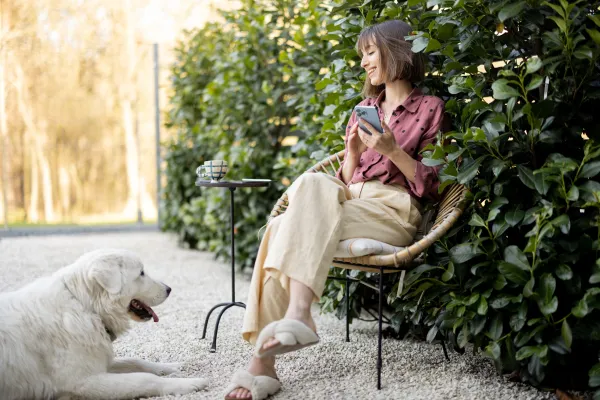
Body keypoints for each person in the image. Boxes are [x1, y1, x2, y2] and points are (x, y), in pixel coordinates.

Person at [225, 19, 448, 400]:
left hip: (393, 211)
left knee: (283, 225)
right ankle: (287, 329)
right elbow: (342, 184)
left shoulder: (430, 108)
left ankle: (267, 358)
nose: (363, 63)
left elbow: (434, 186)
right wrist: (354, 156)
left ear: (397, 51)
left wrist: (393, 150)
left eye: (370, 53)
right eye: (362, 55)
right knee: (305, 195)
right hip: (348, 201)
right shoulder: (364, 108)